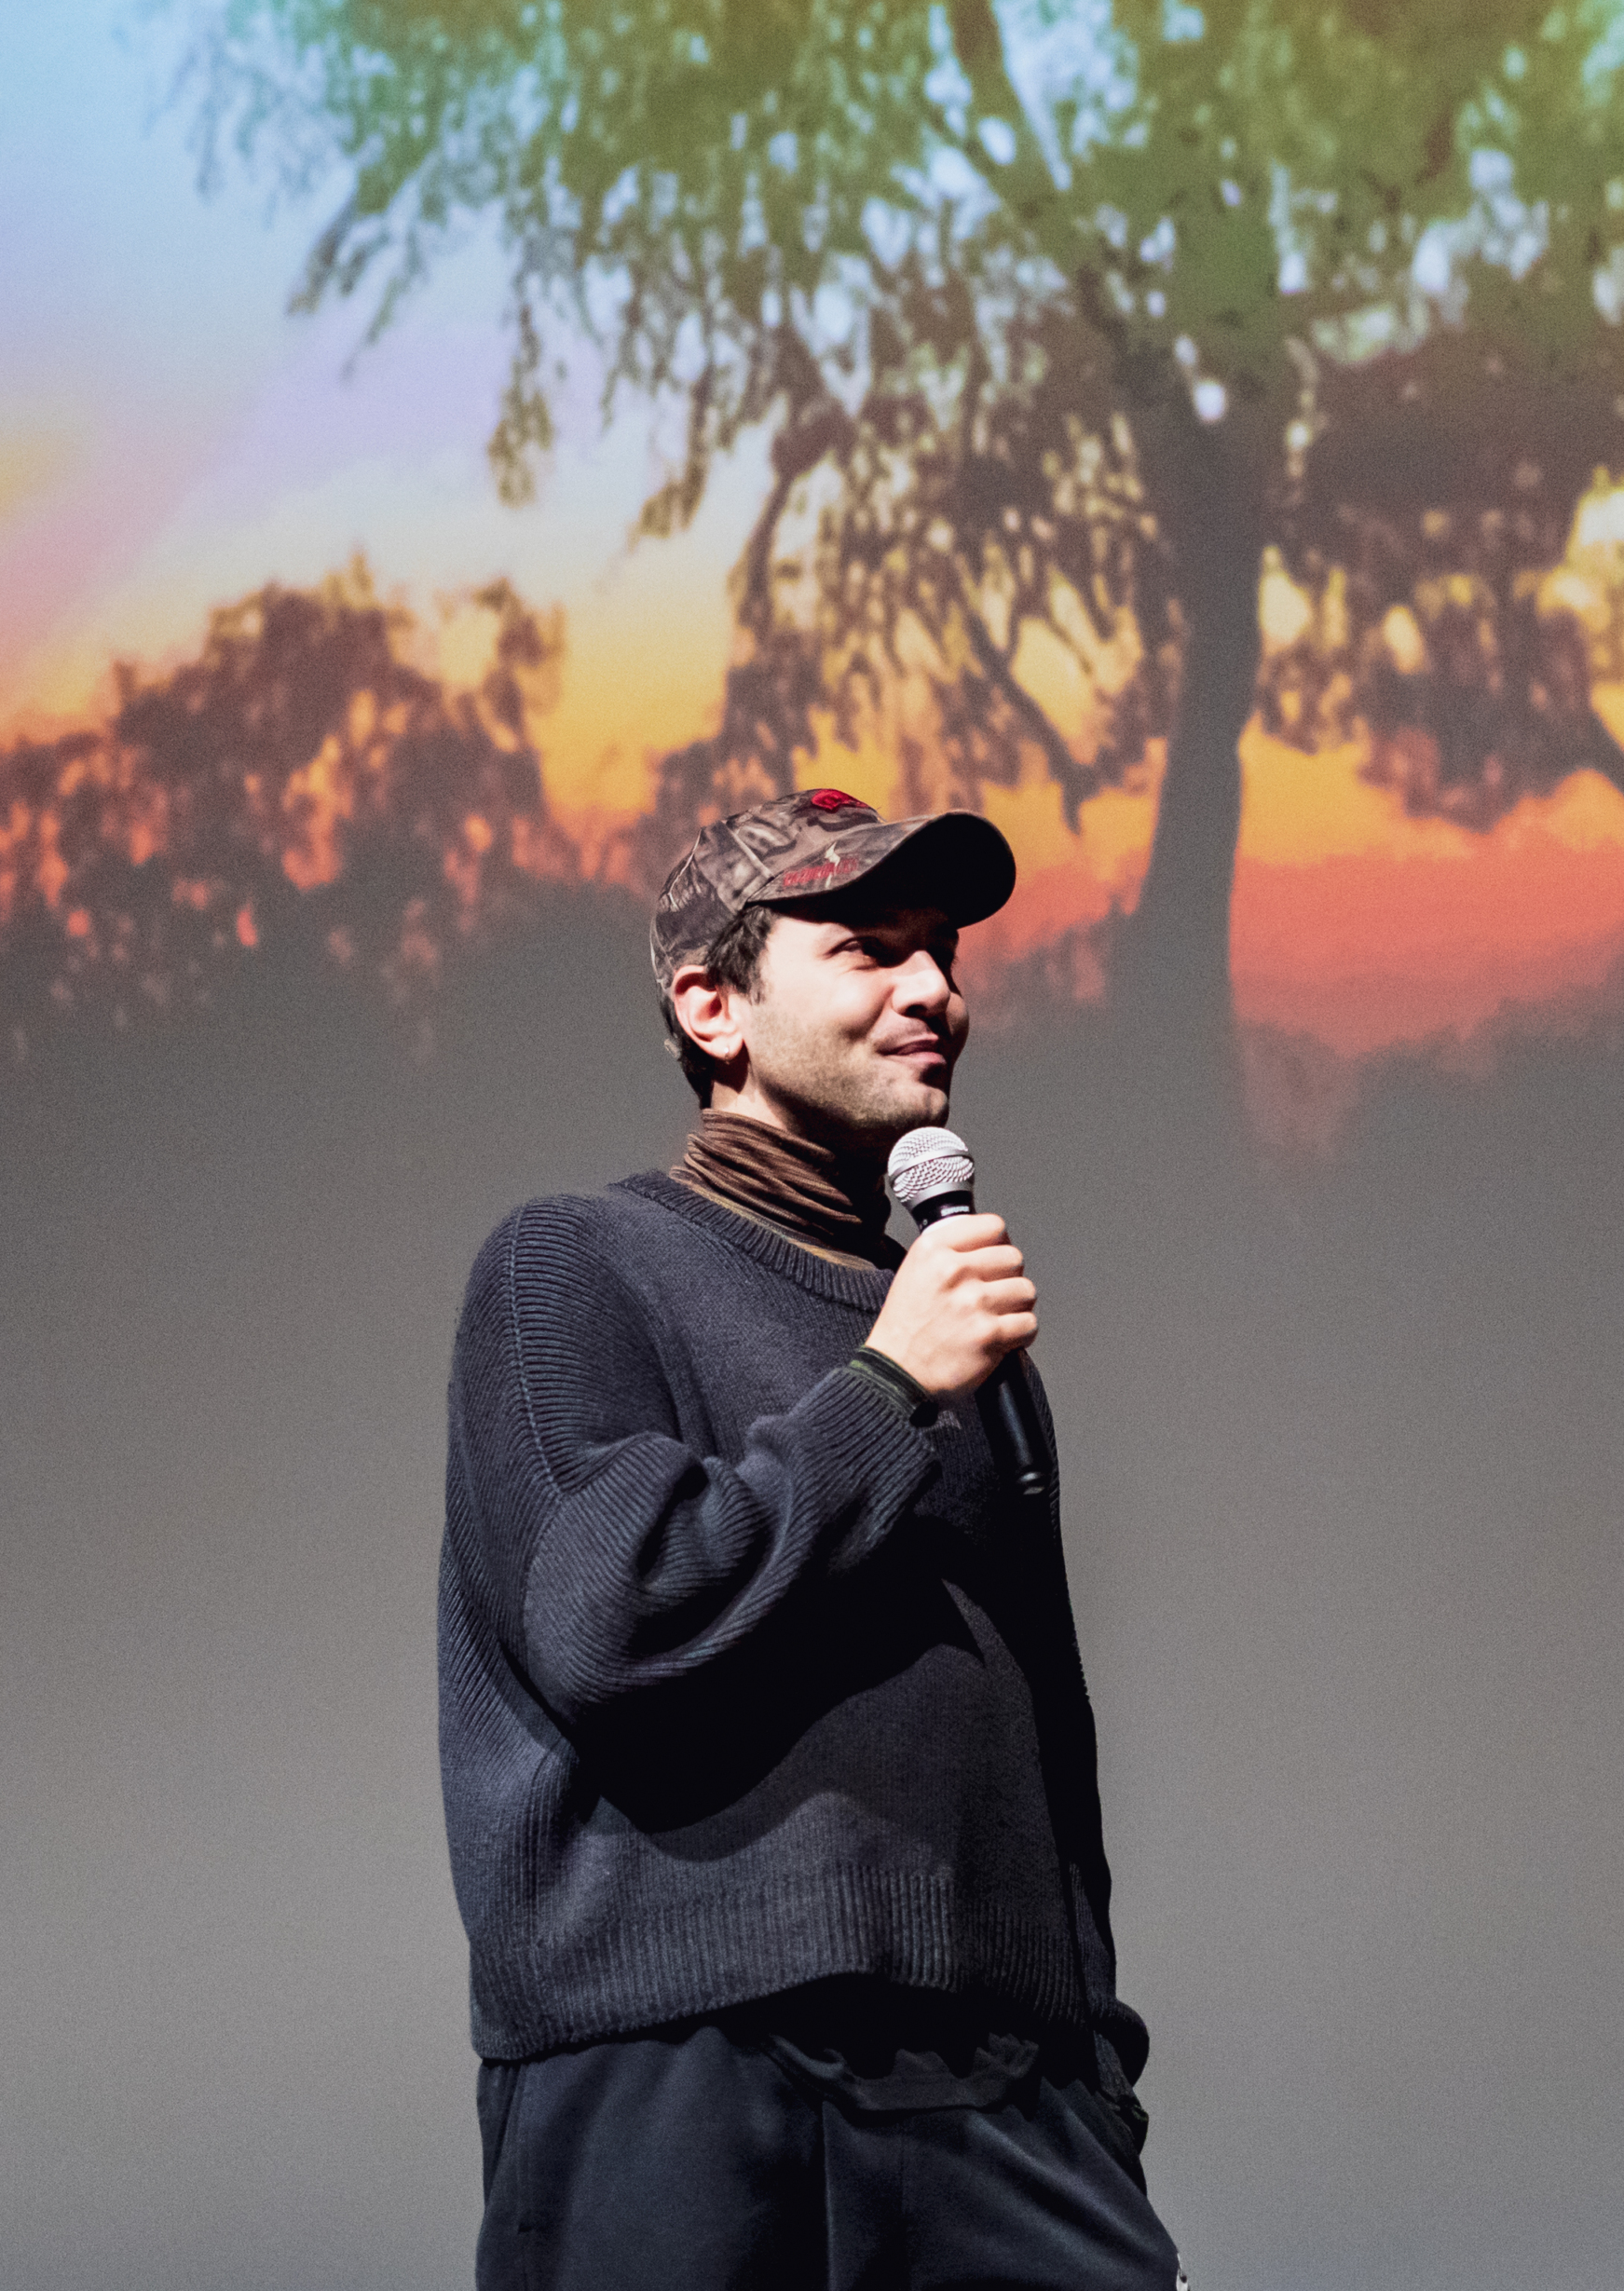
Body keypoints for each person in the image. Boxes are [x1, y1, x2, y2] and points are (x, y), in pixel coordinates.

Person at [440, 788, 1184, 2290]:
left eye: (944, 953)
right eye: (869, 949)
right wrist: (887, 1387)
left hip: (1008, 2098)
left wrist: (1096, 2073)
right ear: (711, 1008)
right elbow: (610, 1621)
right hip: (687, 2074)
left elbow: (1046, 1741)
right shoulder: (576, 1262)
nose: (934, 991)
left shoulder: (957, 1336)